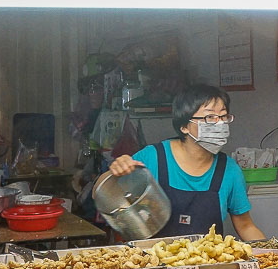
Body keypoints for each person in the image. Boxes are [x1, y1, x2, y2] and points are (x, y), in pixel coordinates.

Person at [108, 84, 266, 240]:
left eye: (223, 117)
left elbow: (246, 226)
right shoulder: (153, 157)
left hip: (208, 262)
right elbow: (106, 191)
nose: (219, 123)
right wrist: (116, 169)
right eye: (210, 117)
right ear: (184, 126)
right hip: (155, 261)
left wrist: (273, 253)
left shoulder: (229, 170)